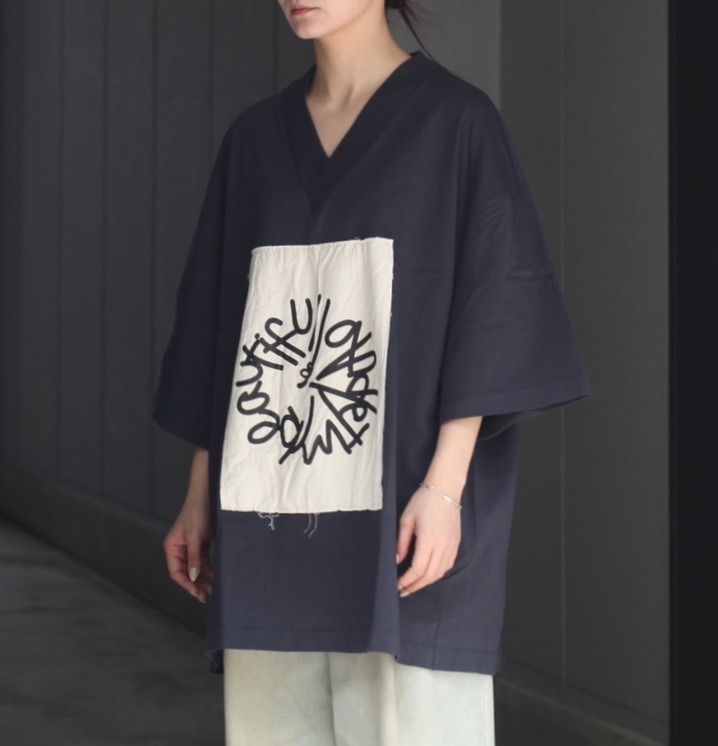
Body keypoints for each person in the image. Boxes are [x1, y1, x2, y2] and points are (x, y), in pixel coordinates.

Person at [154, 1, 593, 744]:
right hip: (268, 516)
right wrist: (200, 496)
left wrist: (445, 490)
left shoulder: (457, 123)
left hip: (409, 513)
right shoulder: (254, 141)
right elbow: (220, 324)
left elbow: (494, 309)